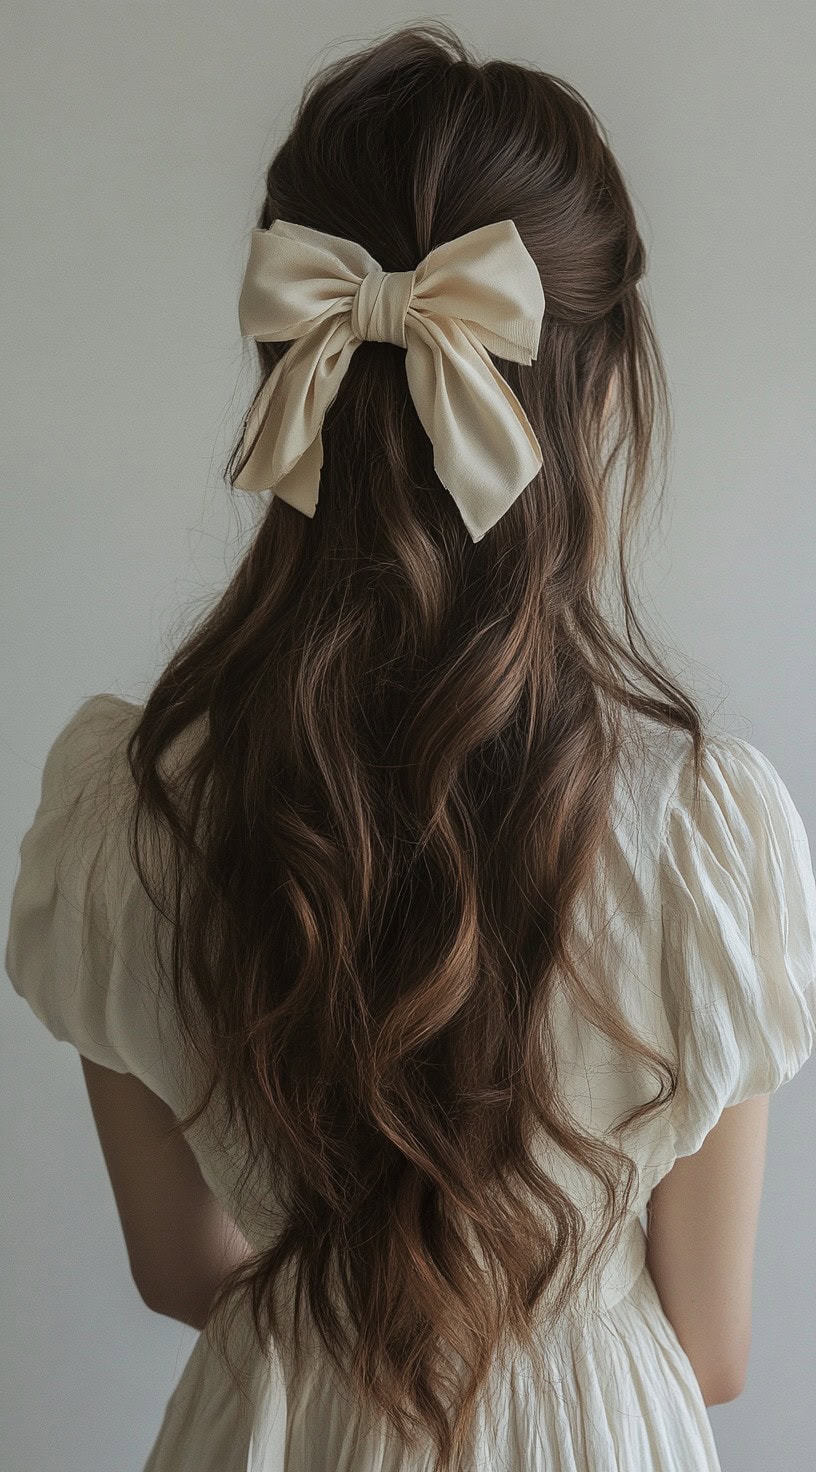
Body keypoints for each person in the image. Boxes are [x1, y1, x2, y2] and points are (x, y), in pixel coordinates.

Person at [5, 20, 816, 1472]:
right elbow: (713, 1343)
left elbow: (180, 1270)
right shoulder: (704, 830)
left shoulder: (130, 810)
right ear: (606, 388)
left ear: (286, 359)